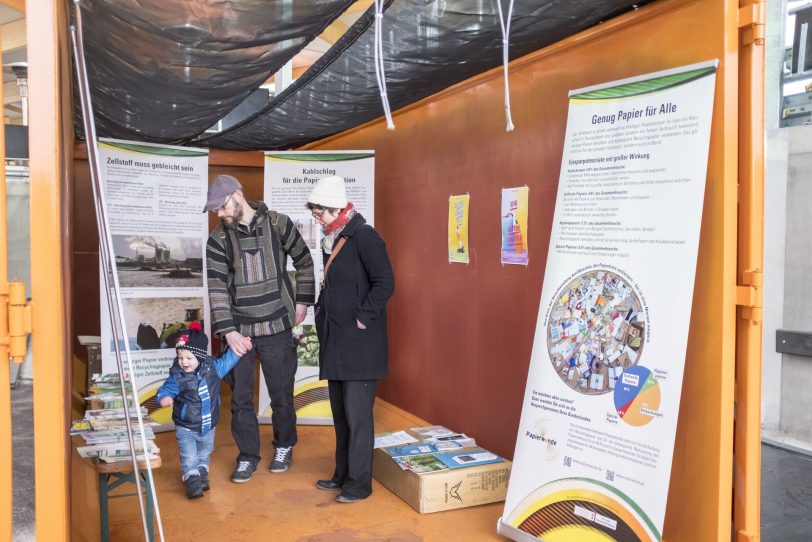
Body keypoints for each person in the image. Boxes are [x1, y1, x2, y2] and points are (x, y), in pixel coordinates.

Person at [203, 174, 315, 483]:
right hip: (240, 333)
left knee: (281, 394)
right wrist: (229, 332)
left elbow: (304, 262)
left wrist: (303, 301)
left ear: (238, 195)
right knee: (240, 400)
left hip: (278, 325)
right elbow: (216, 289)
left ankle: (283, 445)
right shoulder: (218, 239)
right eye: (214, 209)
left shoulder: (279, 223)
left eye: (221, 206)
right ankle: (248, 456)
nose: (218, 213)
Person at [306, 176, 395, 503]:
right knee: (341, 417)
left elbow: (385, 283)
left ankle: (359, 485)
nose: (316, 217)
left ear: (337, 208)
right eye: (314, 211)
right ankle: (341, 475)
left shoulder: (365, 237)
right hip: (337, 341)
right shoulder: (335, 238)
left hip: (360, 345)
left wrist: (361, 317)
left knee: (358, 420)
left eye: (320, 212)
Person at [156, 322, 246, 499]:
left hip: (208, 425)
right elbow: (166, 389)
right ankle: (192, 480)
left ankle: (201, 473)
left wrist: (241, 347)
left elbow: (229, 360)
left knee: (205, 452)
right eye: (181, 358)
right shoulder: (178, 376)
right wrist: (164, 397)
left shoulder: (213, 369)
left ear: (200, 356)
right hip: (186, 426)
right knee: (189, 456)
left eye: (189, 358)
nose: (184, 362)